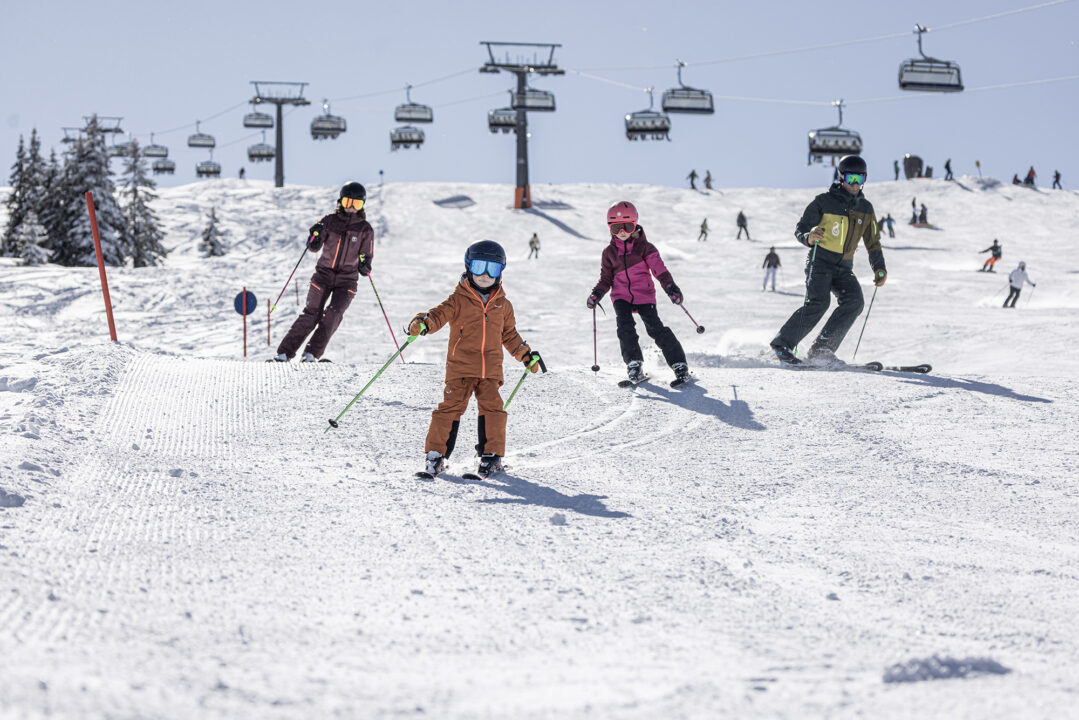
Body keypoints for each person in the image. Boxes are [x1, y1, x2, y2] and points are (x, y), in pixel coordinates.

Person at [408, 240, 540, 478]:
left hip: (490, 371)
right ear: (469, 267)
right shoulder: (458, 299)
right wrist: (423, 323)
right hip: (460, 368)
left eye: (493, 269)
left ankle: (491, 458)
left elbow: (510, 335)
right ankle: (436, 457)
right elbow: (438, 315)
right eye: (479, 267)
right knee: (449, 409)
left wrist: (525, 355)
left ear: (501, 272)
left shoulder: (503, 305)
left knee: (493, 410)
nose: (485, 275)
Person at [770, 155, 887, 364]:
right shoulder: (824, 201)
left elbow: (873, 242)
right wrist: (809, 236)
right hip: (820, 262)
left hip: (844, 268)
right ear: (841, 177)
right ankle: (782, 344)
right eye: (851, 179)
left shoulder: (866, 209)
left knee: (855, 302)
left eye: (860, 179)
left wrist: (879, 268)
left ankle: (822, 349)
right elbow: (801, 228)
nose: (855, 184)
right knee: (819, 302)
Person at [587, 201, 689, 385]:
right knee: (625, 328)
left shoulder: (645, 248)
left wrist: (670, 287)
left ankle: (679, 364)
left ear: (635, 225)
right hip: (621, 296)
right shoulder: (609, 252)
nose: (622, 232)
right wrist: (597, 293)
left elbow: (660, 271)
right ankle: (634, 364)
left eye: (627, 226)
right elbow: (606, 278)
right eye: (616, 228)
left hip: (644, 294)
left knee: (655, 328)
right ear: (610, 229)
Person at [274, 182, 373, 362]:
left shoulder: (365, 229)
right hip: (323, 276)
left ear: (362, 205)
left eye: (356, 204)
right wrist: (315, 236)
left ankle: (311, 354)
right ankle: (284, 353)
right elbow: (313, 247)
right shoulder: (329, 221)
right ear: (340, 202)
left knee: (333, 314)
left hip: (347, 281)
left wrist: (364, 265)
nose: (351, 207)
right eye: (348, 202)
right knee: (312, 314)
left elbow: (366, 256)